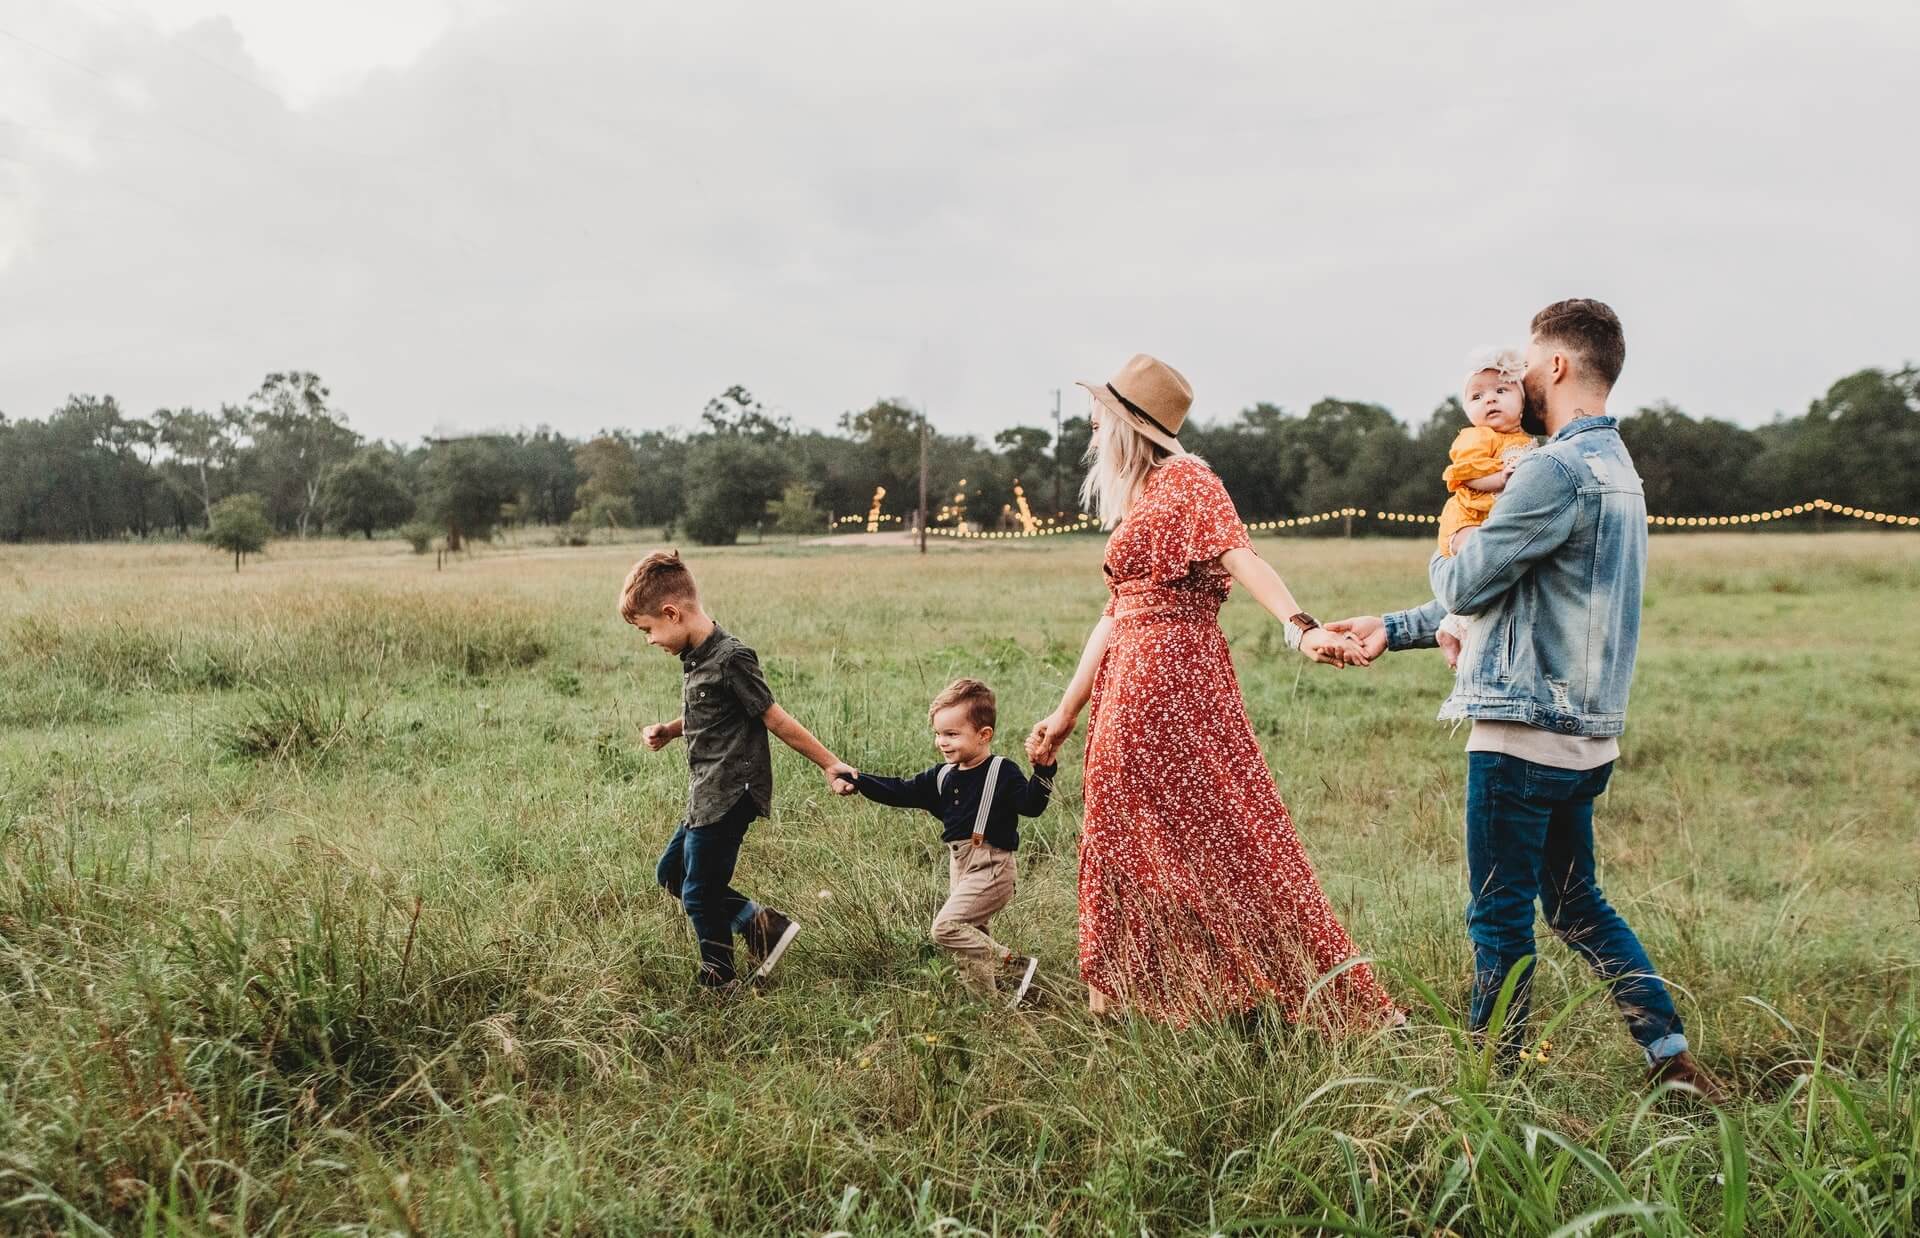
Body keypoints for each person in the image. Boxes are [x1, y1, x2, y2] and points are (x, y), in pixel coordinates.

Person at [1328, 299, 1727, 1100]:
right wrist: (1396, 627)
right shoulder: (1619, 470)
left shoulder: (1550, 469)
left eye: (1526, 362)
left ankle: (1490, 1084)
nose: (1514, 379)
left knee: (1497, 915)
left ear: (1557, 367)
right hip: (1586, 737)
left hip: (1521, 733)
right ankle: (1670, 1057)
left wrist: (1451, 546)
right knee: (1577, 904)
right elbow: (1521, 592)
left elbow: (1471, 579)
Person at [1025, 353, 1399, 1028]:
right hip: (1127, 683)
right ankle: (1137, 997)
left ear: (1126, 424)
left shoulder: (1188, 480)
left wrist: (1300, 628)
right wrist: (1063, 713)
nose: (1089, 424)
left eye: (1099, 413)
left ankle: (1274, 991)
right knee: (1123, 836)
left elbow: (1241, 555)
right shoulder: (1140, 496)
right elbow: (1113, 615)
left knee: (1223, 833)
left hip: (1172, 680)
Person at [620, 549, 848, 989]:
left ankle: (719, 977)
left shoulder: (731, 658)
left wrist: (831, 764)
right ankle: (762, 926)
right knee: (672, 874)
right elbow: (714, 715)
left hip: (731, 791)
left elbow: (773, 717)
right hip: (706, 790)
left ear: (672, 612)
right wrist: (670, 729)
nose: (649, 640)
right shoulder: (697, 658)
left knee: (699, 892)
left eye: (648, 630)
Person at [837, 678, 1050, 1005]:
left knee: (946, 928)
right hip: (960, 867)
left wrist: (1043, 772)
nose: (942, 742)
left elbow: (1031, 806)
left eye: (952, 734)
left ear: (984, 735)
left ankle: (1014, 966)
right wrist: (858, 780)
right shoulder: (942, 776)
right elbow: (899, 790)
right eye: (938, 734)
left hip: (992, 867)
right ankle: (988, 1011)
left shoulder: (1001, 771)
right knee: (969, 945)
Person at [1434, 347, 1538, 666]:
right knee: (1480, 563)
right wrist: (1500, 478)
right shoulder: (1477, 437)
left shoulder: (1527, 442)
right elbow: (1464, 474)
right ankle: (1456, 630)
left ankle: (1453, 627)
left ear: (1522, 402)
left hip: (1491, 520)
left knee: (1496, 574)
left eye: (1501, 391)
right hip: (1467, 519)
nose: (1489, 400)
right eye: (1477, 397)